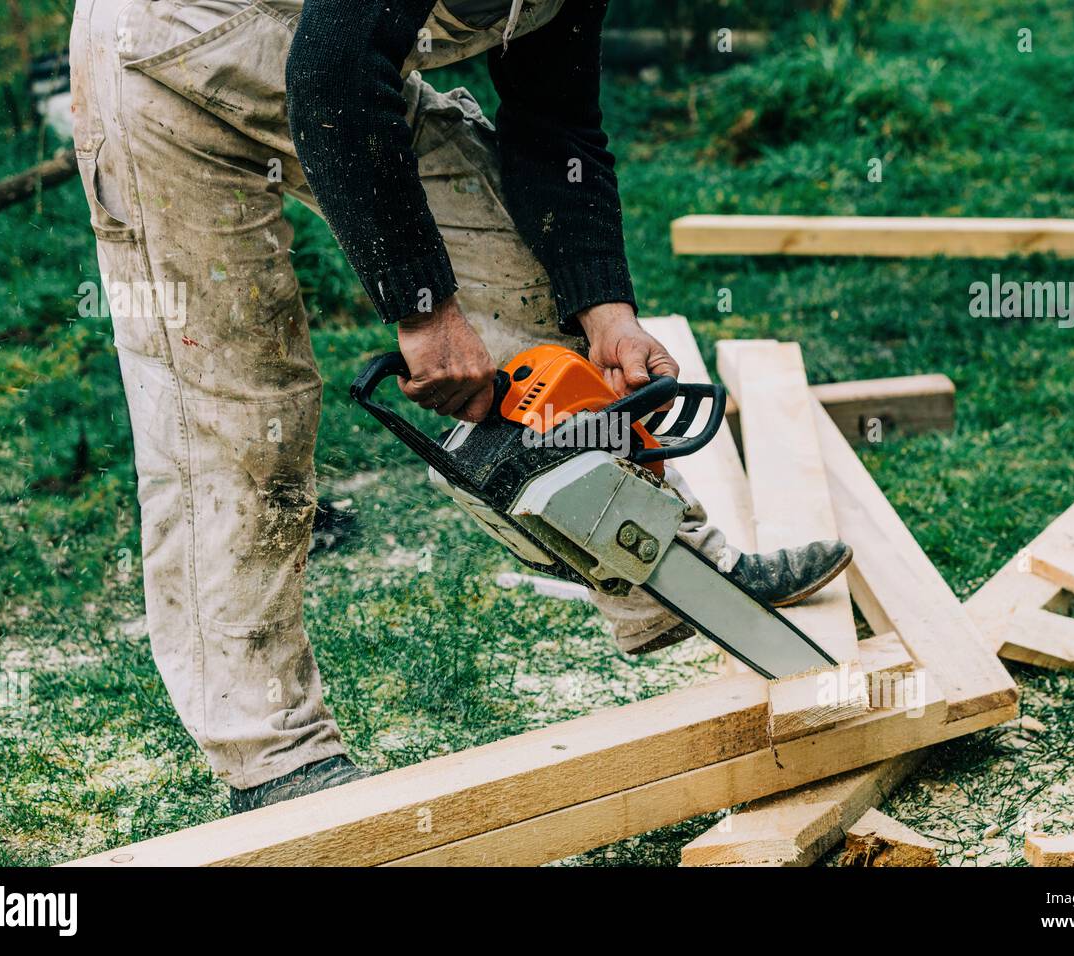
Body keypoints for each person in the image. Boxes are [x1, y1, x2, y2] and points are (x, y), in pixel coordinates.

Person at [69, 0, 852, 812]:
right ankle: (274, 756)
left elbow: (556, 122)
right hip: (166, 60)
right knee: (232, 416)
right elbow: (332, 77)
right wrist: (424, 308)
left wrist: (607, 310)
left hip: (324, 46)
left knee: (522, 263)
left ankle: (665, 571)